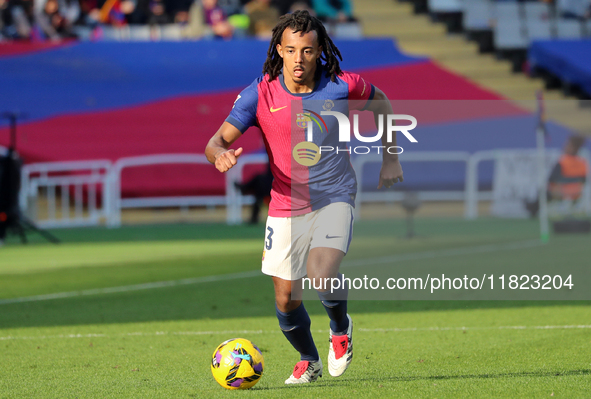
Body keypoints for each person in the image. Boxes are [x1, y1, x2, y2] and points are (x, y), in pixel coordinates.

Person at [205, 10, 403, 384]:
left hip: (335, 195)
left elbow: (381, 103)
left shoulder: (342, 84)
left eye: (308, 51)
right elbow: (215, 142)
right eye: (292, 50)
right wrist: (221, 155)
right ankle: (308, 359)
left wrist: (390, 157)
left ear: (319, 51)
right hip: (284, 204)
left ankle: (340, 329)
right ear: (279, 49)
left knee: (322, 273)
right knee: (285, 299)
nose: (300, 59)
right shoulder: (259, 94)